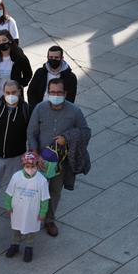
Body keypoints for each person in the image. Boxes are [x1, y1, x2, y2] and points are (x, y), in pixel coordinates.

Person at [27, 78, 90, 237]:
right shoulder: (40, 108)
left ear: (65, 93)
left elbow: (86, 132)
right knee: (34, 190)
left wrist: (67, 138)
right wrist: (35, 154)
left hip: (60, 163)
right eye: (52, 92)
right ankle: (31, 218)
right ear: (48, 93)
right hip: (39, 160)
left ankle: (49, 220)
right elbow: (31, 133)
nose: (55, 95)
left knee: (54, 191)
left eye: (59, 92)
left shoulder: (74, 111)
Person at [4, 152, 50, 262]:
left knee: (31, 230)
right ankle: (15, 244)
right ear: (23, 166)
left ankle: (29, 247)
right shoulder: (16, 177)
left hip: (33, 211)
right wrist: (8, 206)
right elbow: (9, 193)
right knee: (16, 228)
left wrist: (43, 212)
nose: (30, 169)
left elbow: (45, 199)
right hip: (18, 210)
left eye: (32, 166)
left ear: (37, 165)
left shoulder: (41, 180)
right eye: (27, 166)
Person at [27, 46, 78, 112]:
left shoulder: (71, 77)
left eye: (56, 58)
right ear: (47, 57)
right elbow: (31, 92)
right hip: (39, 109)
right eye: (51, 57)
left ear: (62, 58)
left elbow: (70, 98)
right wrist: (35, 108)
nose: (53, 60)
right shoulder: (40, 72)